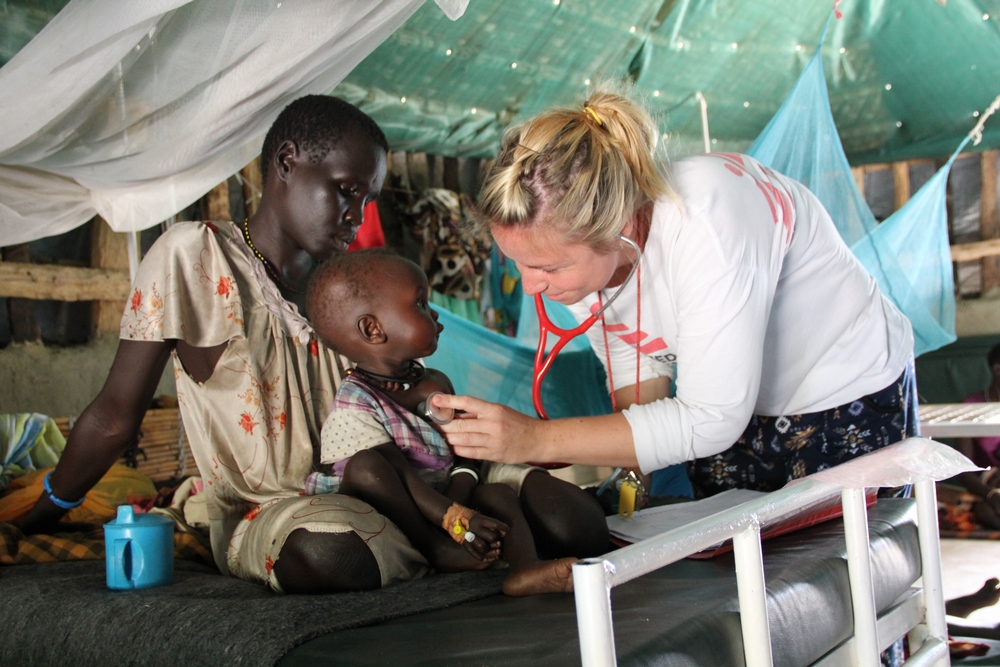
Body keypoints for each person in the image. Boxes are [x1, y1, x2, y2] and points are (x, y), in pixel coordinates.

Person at [20, 96, 433, 594]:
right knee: (326, 545)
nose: (356, 217)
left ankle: (440, 533)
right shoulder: (196, 257)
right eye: (346, 191)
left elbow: (400, 402)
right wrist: (43, 512)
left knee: (541, 488)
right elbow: (113, 417)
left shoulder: (349, 289)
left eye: (366, 201)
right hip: (274, 512)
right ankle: (439, 543)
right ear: (287, 163)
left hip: (393, 488)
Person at [434, 86, 917, 496]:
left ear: (618, 226)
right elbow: (633, 353)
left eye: (547, 268)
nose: (532, 285)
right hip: (737, 409)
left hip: (841, 389)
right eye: (519, 263)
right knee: (737, 572)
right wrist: (630, 470)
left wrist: (537, 441)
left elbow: (710, 419)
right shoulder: (582, 249)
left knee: (830, 574)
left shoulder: (708, 219)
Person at [304, 250, 604, 595]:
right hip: (400, 504)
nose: (436, 316)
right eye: (421, 304)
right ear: (372, 329)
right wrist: (454, 518)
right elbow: (399, 478)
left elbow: (465, 446)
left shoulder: (434, 383)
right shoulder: (354, 403)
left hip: (446, 491)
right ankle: (435, 549)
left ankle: (525, 569)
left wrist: (463, 491)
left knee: (498, 493)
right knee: (367, 466)